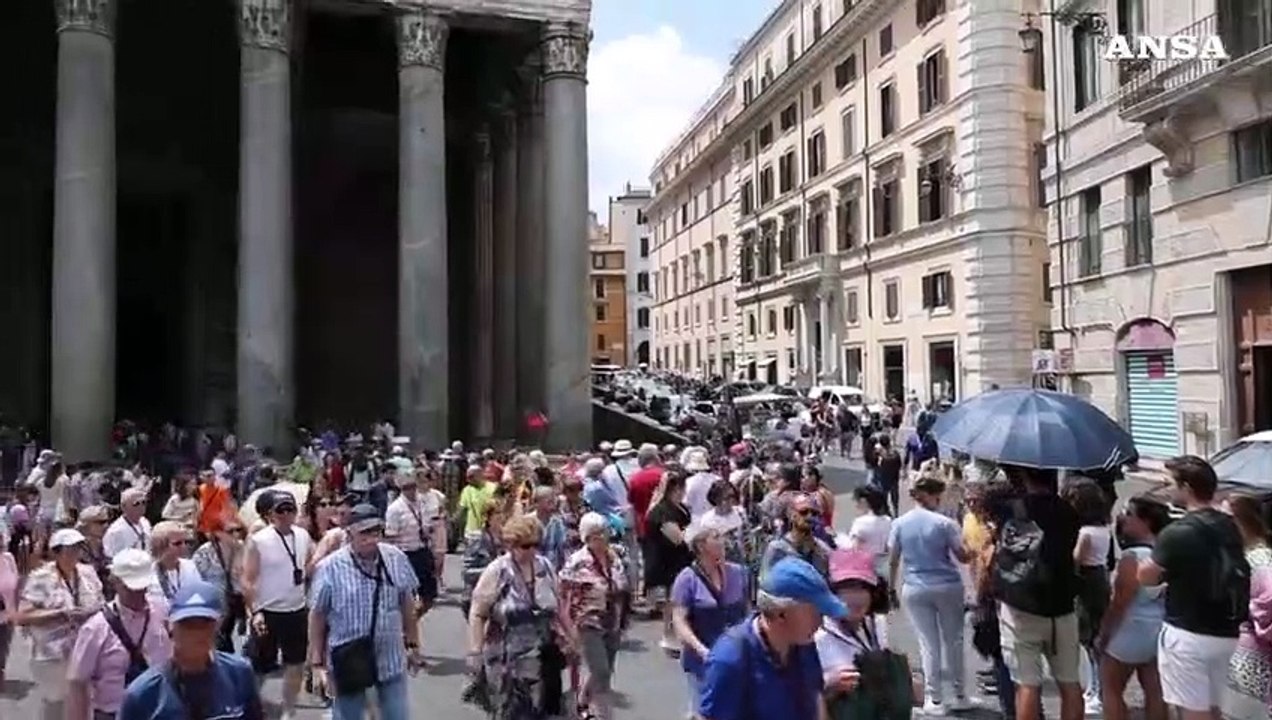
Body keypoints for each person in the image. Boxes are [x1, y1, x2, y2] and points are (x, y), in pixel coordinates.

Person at [1137, 455, 1248, 720]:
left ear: (1186, 488)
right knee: (1216, 709)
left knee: (1193, 711)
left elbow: (1146, 577)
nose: (1168, 489)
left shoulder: (1177, 532)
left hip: (1188, 633)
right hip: (1227, 631)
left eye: (1171, 483)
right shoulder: (1230, 525)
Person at [309, 504, 423, 720]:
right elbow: (317, 616)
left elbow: (406, 603)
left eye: (376, 532)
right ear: (349, 533)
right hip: (348, 660)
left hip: (389, 657)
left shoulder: (395, 558)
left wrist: (413, 644)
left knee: (397, 716)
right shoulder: (330, 567)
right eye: (364, 533)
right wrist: (317, 664)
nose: (371, 538)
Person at [697, 557, 840, 720]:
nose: (820, 622)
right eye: (815, 613)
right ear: (781, 615)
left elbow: (816, 701)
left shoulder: (804, 644)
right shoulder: (730, 660)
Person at [994, 467, 1082, 720]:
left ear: (1025, 476)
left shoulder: (1011, 509)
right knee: (1070, 682)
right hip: (1061, 607)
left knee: (1027, 684)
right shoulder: (1069, 512)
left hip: (1021, 604)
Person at [467, 514, 569, 720]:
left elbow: (559, 607)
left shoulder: (545, 566)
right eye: (525, 546)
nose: (531, 550)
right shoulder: (498, 571)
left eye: (535, 545)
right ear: (511, 545)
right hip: (505, 659)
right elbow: (478, 613)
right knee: (510, 713)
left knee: (539, 713)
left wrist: (572, 639)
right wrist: (475, 651)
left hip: (541, 657)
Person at [888, 472, 973, 713]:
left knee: (928, 643)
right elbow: (962, 556)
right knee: (953, 640)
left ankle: (933, 698)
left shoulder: (900, 523)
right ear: (934, 496)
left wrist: (890, 588)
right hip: (947, 585)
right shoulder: (945, 523)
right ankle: (959, 694)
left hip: (914, 585)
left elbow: (893, 559)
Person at [119, 580, 264, 719]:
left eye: (204, 624)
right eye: (187, 625)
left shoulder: (239, 674)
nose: (196, 633)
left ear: (217, 626)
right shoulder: (143, 694)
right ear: (171, 627)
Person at [67, 548, 173, 720]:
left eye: (142, 588)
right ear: (114, 581)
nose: (138, 594)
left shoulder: (161, 612)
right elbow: (78, 681)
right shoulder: (95, 628)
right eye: (131, 588)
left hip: (157, 710)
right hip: (113, 713)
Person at [14, 528, 105, 720]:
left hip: (85, 647)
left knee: (83, 699)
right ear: (56, 552)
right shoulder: (41, 577)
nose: (75, 553)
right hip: (52, 653)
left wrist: (91, 612)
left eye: (78, 548)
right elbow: (23, 616)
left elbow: (101, 603)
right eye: (69, 549)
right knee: (57, 702)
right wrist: (61, 614)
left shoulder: (87, 573)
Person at [241, 489, 313, 718]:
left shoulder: (303, 535)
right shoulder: (259, 540)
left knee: (296, 663)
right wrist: (255, 611)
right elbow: (248, 579)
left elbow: (308, 565)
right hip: (268, 611)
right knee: (259, 665)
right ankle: (252, 706)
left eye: (289, 509)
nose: (285, 514)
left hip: (296, 609)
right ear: (270, 515)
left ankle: (288, 709)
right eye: (280, 510)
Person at [1098, 497, 1168, 720]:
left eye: (1130, 514)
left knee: (1111, 689)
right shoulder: (1167, 553)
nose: (1123, 518)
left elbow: (1120, 602)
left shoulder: (1133, 558)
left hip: (1129, 629)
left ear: (1145, 522)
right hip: (1157, 627)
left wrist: (1104, 634)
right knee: (1155, 691)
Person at [670, 525, 750, 716]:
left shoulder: (739, 573)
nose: (722, 540)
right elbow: (679, 621)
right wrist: (701, 650)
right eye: (715, 537)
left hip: (736, 656)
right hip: (703, 660)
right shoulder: (686, 579)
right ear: (700, 546)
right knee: (703, 711)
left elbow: (748, 612)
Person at [561, 512, 629, 720]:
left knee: (605, 667)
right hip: (588, 623)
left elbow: (623, 584)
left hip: (613, 620)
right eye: (597, 534)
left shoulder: (613, 556)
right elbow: (563, 593)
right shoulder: (577, 561)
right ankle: (604, 715)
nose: (603, 537)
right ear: (587, 537)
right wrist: (567, 630)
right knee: (601, 673)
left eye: (605, 532)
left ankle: (581, 701)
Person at [1062, 478, 1113, 715]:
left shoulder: (1084, 533)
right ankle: (1097, 689)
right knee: (1097, 637)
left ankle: (1095, 691)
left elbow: (1076, 560)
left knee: (1089, 639)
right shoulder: (1104, 529)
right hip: (1100, 579)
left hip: (1086, 582)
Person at [1222, 493, 1272, 720]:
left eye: (1227, 519)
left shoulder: (1260, 558)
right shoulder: (1242, 555)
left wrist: (1246, 611)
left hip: (1254, 657)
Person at [644, 469, 693, 653]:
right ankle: (669, 636)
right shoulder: (663, 511)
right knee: (672, 601)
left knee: (677, 600)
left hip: (679, 560)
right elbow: (677, 538)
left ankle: (676, 634)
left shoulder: (680, 507)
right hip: (667, 560)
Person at [384, 469, 445, 615]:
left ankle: (412, 620)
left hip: (423, 550)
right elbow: (390, 537)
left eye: (413, 486)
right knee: (409, 596)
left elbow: (430, 521)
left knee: (429, 595)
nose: (411, 490)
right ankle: (407, 626)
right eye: (406, 488)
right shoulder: (395, 509)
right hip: (406, 554)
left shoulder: (422, 503)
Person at [193, 517, 247, 653]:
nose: (236, 534)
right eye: (230, 531)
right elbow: (196, 580)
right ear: (217, 533)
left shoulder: (245, 548)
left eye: (238, 530)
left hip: (238, 606)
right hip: (216, 606)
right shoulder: (205, 553)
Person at [150, 521, 202, 603]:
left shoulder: (190, 567)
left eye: (186, 542)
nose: (184, 546)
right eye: (178, 543)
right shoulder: (150, 573)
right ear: (161, 546)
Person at [103, 487, 151, 559]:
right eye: (136, 503)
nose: (141, 506)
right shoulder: (116, 531)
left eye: (144, 502)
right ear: (123, 507)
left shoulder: (145, 522)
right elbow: (111, 556)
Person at [0, 525, 18, 683]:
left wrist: (16, 611)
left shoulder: (8, 558)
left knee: (4, 647)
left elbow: (16, 584)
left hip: (7, 612)